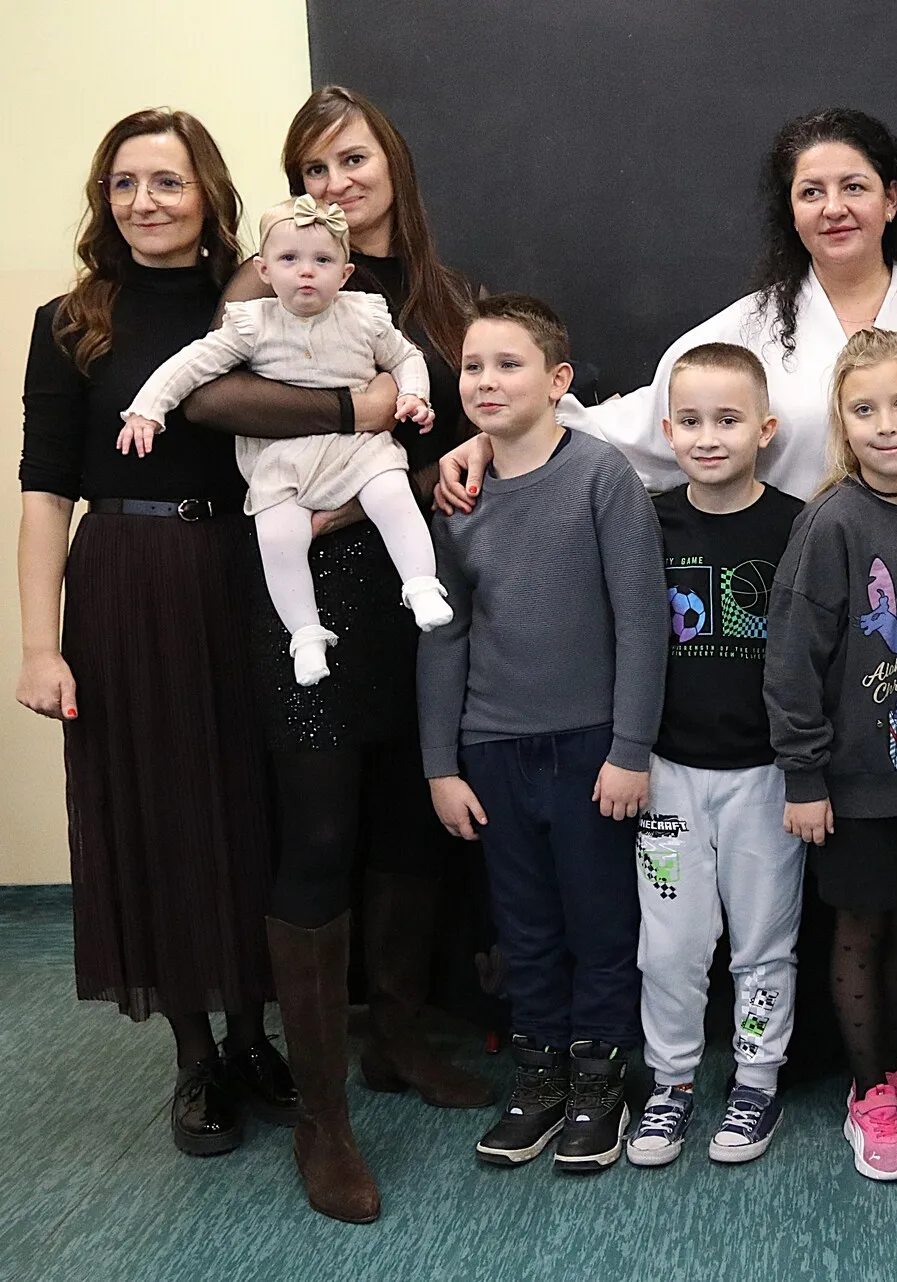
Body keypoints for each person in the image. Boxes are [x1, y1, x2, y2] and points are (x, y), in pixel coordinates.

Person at [178, 85, 493, 1225]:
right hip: (304, 587)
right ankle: (322, 1115)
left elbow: (472, 421)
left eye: (351, 160)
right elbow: (215, 400)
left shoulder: (443, 296)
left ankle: (396, 1040)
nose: (335, 185)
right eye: (313, 169)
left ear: (391, 162)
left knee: (411, 813)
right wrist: (361, 417)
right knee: (317, 831)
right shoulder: (268, 277)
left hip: (417, 583)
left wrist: (446, 458)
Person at [16, 107, 292, 1160]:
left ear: (208, 193)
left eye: (168, 181)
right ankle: (196, 1057)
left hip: (246, 569)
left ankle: (256, 1035)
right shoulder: (69, 322)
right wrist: (38, 645)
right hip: (125, 583)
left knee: (252, 798)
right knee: (156, 807)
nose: (145, 201)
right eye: (124, 183)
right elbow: (46, 492)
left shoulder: (258, 303)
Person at [437, 107, 897, 506]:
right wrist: (504, 439)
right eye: (811, 192)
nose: (834, 208)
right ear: (791, 213)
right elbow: (634, 431)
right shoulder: (745, 329)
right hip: (780, 577)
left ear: (891, 199)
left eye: (855, 187)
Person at [419, 294, 667, 1173]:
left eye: (508, 364)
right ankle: (540, 1076)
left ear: (558, 380)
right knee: (523, 928)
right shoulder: (458, 496)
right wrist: (440, 764)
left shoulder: (601, 477)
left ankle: (601, 1078)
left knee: (600, 923)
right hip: (491, 750)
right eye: (472, 367)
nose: (486, 381)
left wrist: (629, 749)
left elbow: (643, 622)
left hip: (590, 750)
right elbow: (444, 633)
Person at [767, 329, 897, 1181]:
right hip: (853, 783)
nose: (887, 425)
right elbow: (791, 661)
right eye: (865, 408)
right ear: (841, 423)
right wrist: (804, 775)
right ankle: (866, 1091)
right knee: (860, 931)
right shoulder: (833, 520)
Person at [120, 196, 449, 687]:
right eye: (290, 259)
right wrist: (148, 409)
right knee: (278, 538)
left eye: (323, 260)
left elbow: (406, 357)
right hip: (284, 457)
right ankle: (305, 634)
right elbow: (192, 364)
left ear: (345, 273)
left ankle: (421, 584)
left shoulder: (364, 316)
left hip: (358, 450)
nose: (306, 272)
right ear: (265, 270)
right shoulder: (252, 323)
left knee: (392, 495)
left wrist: (414, 395)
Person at [624, 343, 805, 1171]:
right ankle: (670, 1082)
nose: (708, 437)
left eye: (728, 420)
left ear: (765, 429)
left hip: (766, 778)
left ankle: (757, 1080)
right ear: (666, 431)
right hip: (668, 776)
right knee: (670, 946)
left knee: (763, 943)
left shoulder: (798, 524)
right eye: (690, 421)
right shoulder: (647, 522)